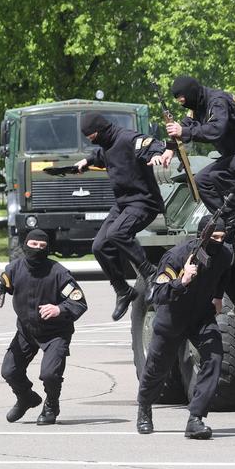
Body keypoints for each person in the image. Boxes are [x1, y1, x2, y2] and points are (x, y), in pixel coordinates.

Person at [135, 215, 233, 439]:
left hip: (201, 316)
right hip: (172, 316)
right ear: (202, 236)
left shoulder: (225, 253)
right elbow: (156, 294)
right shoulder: (177, 256)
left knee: (214, 357)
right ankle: (144, 408)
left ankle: (196, 418)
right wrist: (183, 281)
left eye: (222, 236)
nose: (219, 241)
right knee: (157, 367)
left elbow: (224, 272)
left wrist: (218, 297)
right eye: (214, 237)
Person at [0, 229, 88, 426]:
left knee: (50, 374)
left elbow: (79, 301)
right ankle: (26, 398)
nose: (37, 250)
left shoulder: (59, 272)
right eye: (33, 245)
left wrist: (59, 309)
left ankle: (51, 405)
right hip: (26, 331)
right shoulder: (15, 268)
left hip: (55, 333)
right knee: (9, 371)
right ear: (25, 246)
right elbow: (0, 283)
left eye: (42, 247)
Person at [73, 112, 167, 321]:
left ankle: (150, 273)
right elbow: (101, 155)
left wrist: (157, 154)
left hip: (145, 202)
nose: (92, 140)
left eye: (93, 137)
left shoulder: (127, 138)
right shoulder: (106, 145)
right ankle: (123, 290)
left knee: (117, 233)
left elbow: (149, 143)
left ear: (102, 130)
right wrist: (86, 161)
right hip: (123, 204)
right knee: (99, 246)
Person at [162, 76, 235, 240]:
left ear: (191, 92)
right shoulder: (197, 105)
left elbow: (216, 130)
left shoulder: (217, 101)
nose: (182, 103)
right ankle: (229, 221)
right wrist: (170, 149)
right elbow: (185, 125)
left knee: (219, 174)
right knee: (201, 180)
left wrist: (184, 132)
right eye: (179, 101)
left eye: (183, 99)